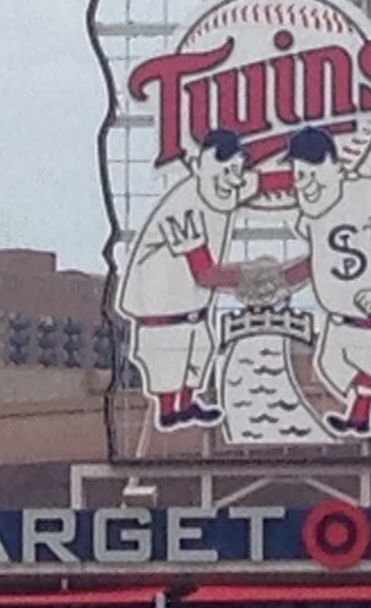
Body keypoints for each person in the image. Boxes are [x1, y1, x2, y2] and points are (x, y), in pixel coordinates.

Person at [116, 129, 285, 430]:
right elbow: (205, 273)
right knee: (169, 361)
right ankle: (170, 410)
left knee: (199, 350)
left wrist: (325, 177)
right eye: (227, 169)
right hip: (160, 307)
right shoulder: (182, 207)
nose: (234, 178)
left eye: (237, 169)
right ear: (200, 166)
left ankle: (186, 404)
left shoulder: (224, 186)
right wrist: (260, 275)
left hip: (192, 308)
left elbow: (266, 182)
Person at [281, 126, 371, 439]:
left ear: (332, 165)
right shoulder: (310, 212)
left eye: (310, 173)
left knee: (353, 366)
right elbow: (319, 261)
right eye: (298, 174)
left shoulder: (369, 192)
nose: (303, 183)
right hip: (339, 318)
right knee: (327, 365)